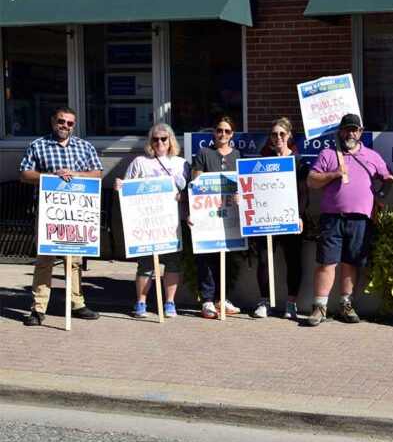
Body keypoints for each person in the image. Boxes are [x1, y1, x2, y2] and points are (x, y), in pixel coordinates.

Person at [306, 113, 393, 326]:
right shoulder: (328, 154)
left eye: (355, 129)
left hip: (360, 220)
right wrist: (335, 173)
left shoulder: (372, 156)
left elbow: (389, 178)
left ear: (361, 132)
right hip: (332, 218)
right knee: (327, 263)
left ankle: (346, 306)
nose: (351, 133)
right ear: (340, 131)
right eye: (347, 129)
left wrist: (380, 196)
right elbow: (311, 180)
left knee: (351, 263)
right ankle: (319, 308)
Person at [19, 106, 103, 326]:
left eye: (70, 123)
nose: (65, 126)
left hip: (76, 213)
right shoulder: (38, 146)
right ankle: (38, 309)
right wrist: (52, 177)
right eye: (61, 121)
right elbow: (25, 174)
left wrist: (77, 175)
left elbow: (97, 173)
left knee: (74, 260)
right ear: (52, 121)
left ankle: (77, 304)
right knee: (45, 259)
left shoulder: (84, 147)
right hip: (49, 212)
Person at [115, 123, 190, 319]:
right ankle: (141, 303)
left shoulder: (182, 164)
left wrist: (184, 197)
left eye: (163, 139)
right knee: (146, 264)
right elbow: (126, 188)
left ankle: (169, 302)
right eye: (155, 139)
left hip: (173, 222)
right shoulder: (140, 162)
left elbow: (191, 192)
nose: (159, 142)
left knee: (173, 263)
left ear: (171, 140)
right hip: (148, 223)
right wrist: (119, 186)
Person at [249, 117, 309, 320]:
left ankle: (291, 303)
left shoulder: (298, 160)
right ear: (270, 138)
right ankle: (264, 301)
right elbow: (253, 188)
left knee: (293, 260)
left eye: (282, 134)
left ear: (289, 136)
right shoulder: (262, 160)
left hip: (290, 218)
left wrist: (300, 215)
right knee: (264, 260)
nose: (278, 138)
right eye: (274, 134)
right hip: (266, 219)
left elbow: (303, 192)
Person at [190, 116, 242, 319]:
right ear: (213, 132)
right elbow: (196, 183)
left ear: (232, 134)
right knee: (206, 258)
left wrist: (239, 195)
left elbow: (243, 183)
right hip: (207, 214)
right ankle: (207, 300)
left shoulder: (237, 154)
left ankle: (222, 298)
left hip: (230, 215)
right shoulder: (204, 153)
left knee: (227, 257)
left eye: (227, 131)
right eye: (219, 130)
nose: (223, 134)